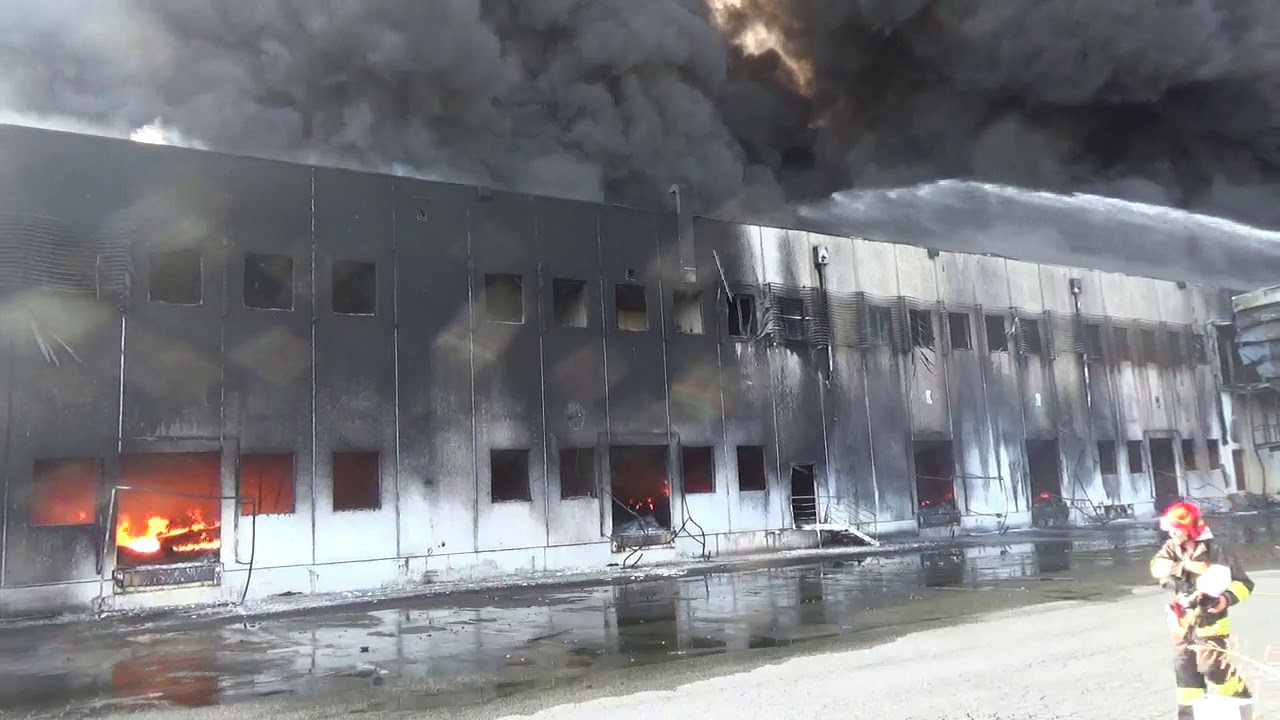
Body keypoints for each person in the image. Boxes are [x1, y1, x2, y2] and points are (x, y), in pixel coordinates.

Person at [1149, 501, 1254, 719]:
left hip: (1211, 624)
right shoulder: (1172, 548)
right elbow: (1156, 567)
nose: (1172, 533)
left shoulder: (1216, 550)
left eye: (1177, 529)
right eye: (1171, 529)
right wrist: (1184, 566)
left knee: (1212, 668)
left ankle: (1241, 701)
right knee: (1186, 676)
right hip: (1181, 624)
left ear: (1191, 529)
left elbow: (1244, 584)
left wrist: (1225, 599)